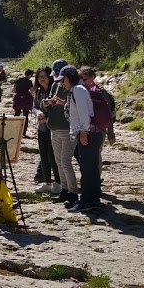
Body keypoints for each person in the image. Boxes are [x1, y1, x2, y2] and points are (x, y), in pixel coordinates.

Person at [61, 65, 102, 213]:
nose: (62, 83)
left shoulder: (77, 90)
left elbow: (84, 112)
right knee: (91, 167)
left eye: (63, 80)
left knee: (87, 168)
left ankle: (86, 201)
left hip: (88, 134)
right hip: (90, 133)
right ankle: (94, 199)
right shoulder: (78, 89)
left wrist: (83, 132)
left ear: (70, 78)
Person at [44, 59, 76, 204]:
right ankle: (64, 189)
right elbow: (52, 99)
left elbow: (73, 105)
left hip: (67, 128)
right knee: (58, 161)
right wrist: (48, 103)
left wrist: (61, 103)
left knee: (65, 161)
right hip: (54, 127)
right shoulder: (56, 85)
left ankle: (73, 192)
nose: (57, 78)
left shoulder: (73, 87)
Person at [78, 67, 115, 194]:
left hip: (98, 130)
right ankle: (92, 184)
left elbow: (109, 114)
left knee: (96, 156)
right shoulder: (81, 91)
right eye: (80, 79)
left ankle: (95, 183)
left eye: (85, 79)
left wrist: (111, 135)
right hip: (86, 130)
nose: (82, 82)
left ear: (93, 77)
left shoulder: (100, 93)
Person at [32, 66, 61, 193]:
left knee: (52, 155)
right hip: (41, 128)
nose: (42, 79)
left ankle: (58, 182)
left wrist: (47, 117)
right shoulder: (38, 91)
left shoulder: (54, 90)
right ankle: (47, 182)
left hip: (52, 128)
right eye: (39, 77)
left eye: (44, 76)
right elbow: (33, 107)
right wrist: (38, 112)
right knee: (43, 155)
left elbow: (59, 109)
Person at [12, 69, 34, 136]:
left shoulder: (18, 80)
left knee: (16, 114)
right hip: (26, 98)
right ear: (30, 75)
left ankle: (14, 130)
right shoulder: (29, 81)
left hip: (18, 97)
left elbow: (14, 89)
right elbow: (32, 90)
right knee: (25, 115)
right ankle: (24, 132)